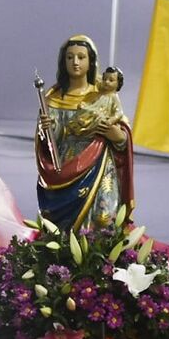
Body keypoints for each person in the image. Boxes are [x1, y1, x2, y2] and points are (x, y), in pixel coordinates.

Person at [35, 35, 134, 232]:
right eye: (70, 57)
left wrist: (118, 136)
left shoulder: (104, 94)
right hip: (65, 168)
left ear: (91, 62)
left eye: (81, 57)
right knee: (60, 232)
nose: (75, 62)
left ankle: (102, 262)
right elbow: (49, 143)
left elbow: (122, 132)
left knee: (103, 220)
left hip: (99, 167)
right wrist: (46, 129)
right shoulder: (52, 98)